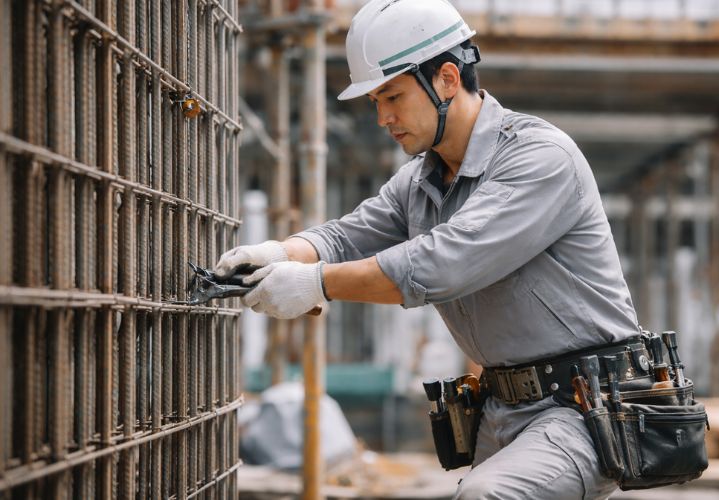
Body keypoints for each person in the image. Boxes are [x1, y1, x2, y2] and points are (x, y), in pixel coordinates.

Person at [216, 0, 642, 497]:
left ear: (445, 78)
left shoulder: (540, 158)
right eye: (375, 101)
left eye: (392, 96)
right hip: (501, 407)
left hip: (583, 407)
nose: (382, 117)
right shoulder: (421, 180)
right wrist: (282, 252)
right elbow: (348, 235)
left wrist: (317, 284)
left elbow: (443, 263)